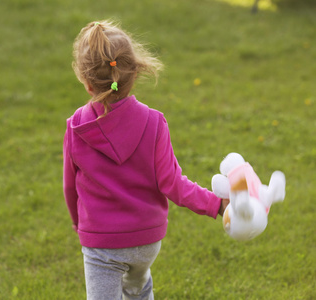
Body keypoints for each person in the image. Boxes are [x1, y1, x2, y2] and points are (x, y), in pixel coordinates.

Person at [63, 20, 229, 300]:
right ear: (135, 71)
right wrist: (217, 204)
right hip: (146, 241)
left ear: (88, 83)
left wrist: (78, 222)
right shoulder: (154, 123)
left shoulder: (76, 126)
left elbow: (70, 186)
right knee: (138, 291)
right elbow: (172, 184)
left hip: (100, 242)